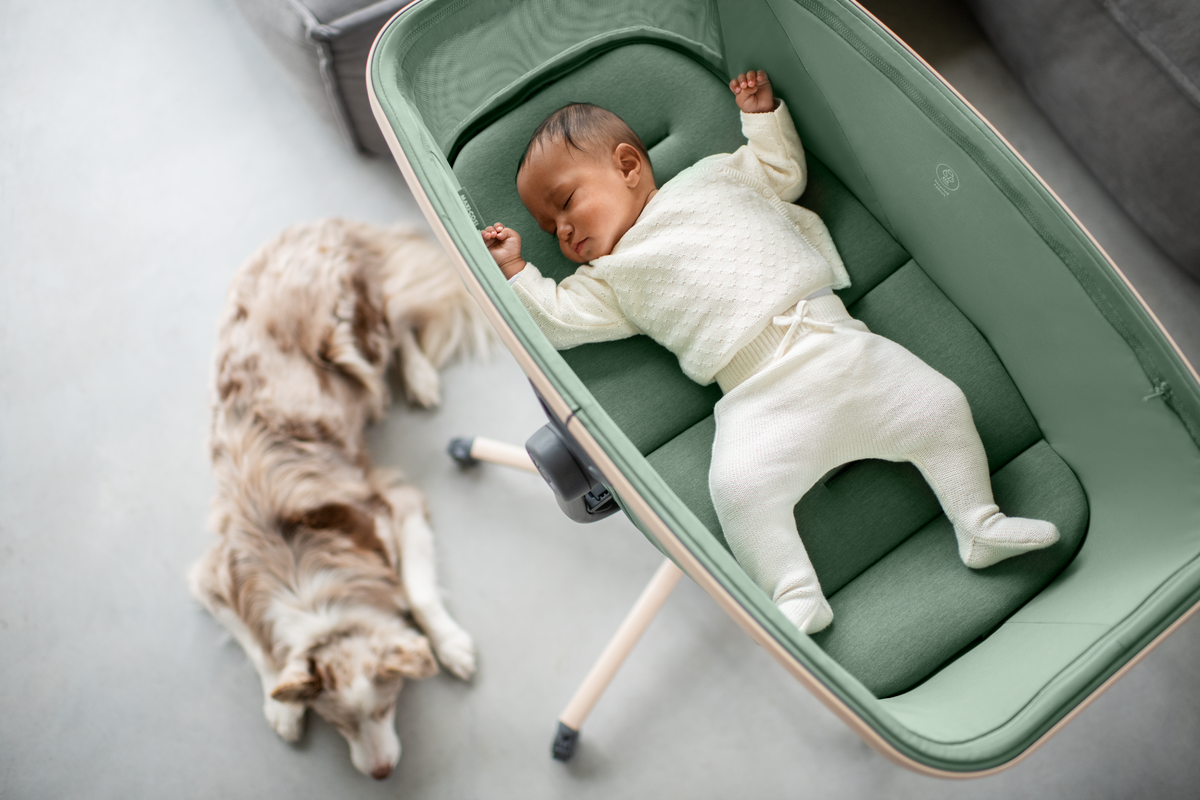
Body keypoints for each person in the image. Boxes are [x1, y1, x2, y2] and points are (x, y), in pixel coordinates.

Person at [482, 70, 1059, 633]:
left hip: (840, 348)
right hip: (758, 398)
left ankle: (979, 521)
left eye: (565, 202)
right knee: (738, 488)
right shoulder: (610, 277)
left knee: (938, 405)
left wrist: (761, 118)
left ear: (629, 166)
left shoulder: (712, 177)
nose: (560, 230)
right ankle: (793, 591)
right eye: (547, 224)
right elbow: (557, 320)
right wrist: (515, 269)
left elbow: (780, 174)